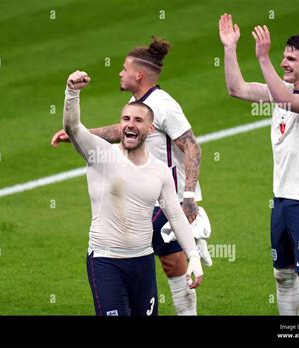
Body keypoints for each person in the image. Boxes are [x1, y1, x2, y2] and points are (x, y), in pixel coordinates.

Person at [52, 38, 207, 315]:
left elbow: (192, 146)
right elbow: (100, 129)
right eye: (126, 120)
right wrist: (75, 130)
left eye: (124, 69)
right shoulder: (133, 112)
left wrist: (189, 196)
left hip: (162, 197)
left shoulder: (163, 106)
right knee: (171, 261)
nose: (119, 73)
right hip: (108, 255)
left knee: (171, 258)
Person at [219, 13, 299, 315]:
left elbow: (287, 102)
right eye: (283, 56)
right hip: (282, 199)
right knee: (282, 275)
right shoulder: (281, 89)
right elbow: (237, 89)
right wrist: (230, 48)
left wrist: (263, 59)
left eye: (291, 59)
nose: (284, 63)